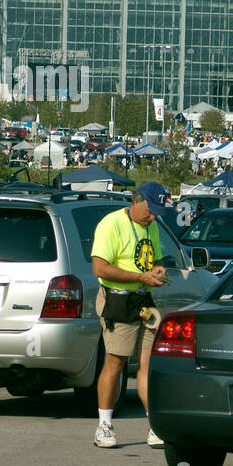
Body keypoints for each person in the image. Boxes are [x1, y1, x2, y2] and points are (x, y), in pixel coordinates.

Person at [90, 182, 170, 450]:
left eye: (157, 212)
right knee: (115, 361)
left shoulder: (152, 226)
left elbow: (156, 260)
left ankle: (154, 426)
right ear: (136, 202)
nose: (153, 217)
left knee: (148, 362)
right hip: (118, 300)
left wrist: (158, 272)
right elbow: (99, 267)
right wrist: (138, 276)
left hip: (143, 300)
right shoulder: (111, 224)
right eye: (150, 210)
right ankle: (104, 425)